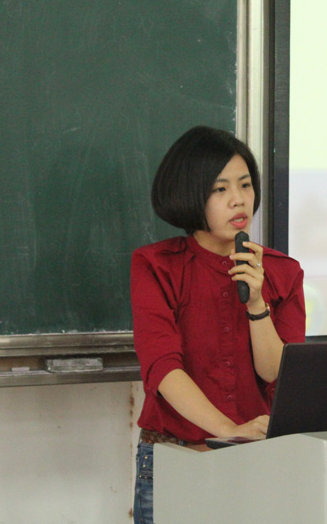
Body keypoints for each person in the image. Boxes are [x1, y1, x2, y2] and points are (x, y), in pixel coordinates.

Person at [130, 126, 306, 523]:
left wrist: (257, 303)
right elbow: (162, 367)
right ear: (191, 194)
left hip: (257, 462)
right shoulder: (156, 266)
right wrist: (229, 430)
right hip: (178, 459)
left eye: (245, 185)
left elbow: (277, 373)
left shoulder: (283, 272)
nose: (238, 199)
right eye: (220, 189)